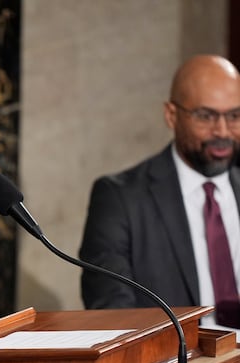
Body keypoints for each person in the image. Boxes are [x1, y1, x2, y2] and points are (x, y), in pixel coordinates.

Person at [79, 54, 240, 332]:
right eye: (206, 116)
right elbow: (112, 315)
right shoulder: (119, 198)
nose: (222, 130)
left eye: (235, 115)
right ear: (171, 115)